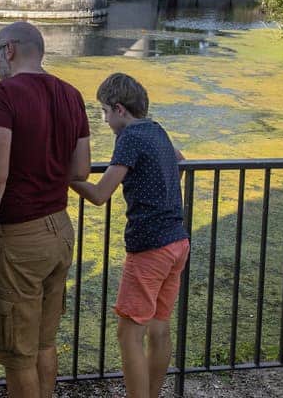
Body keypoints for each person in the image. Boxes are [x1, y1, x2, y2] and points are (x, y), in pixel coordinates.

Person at [0, 22, 90, 398]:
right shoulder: (71, 94)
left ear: (8, 51)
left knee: (18, 355)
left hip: (18, 241)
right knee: (43, 344)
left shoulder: (2, 94)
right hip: (59, 230)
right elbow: (79, 170)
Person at [69, 72, 189, 398]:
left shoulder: (131, 138)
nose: (105, 120)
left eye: (105, 112)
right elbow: (180, 159)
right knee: (159, 327)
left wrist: (64, 176)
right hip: (178, 239)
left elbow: (99, 194)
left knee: (128, 333)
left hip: (150, 246)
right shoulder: (156, 129)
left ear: (120, 109)